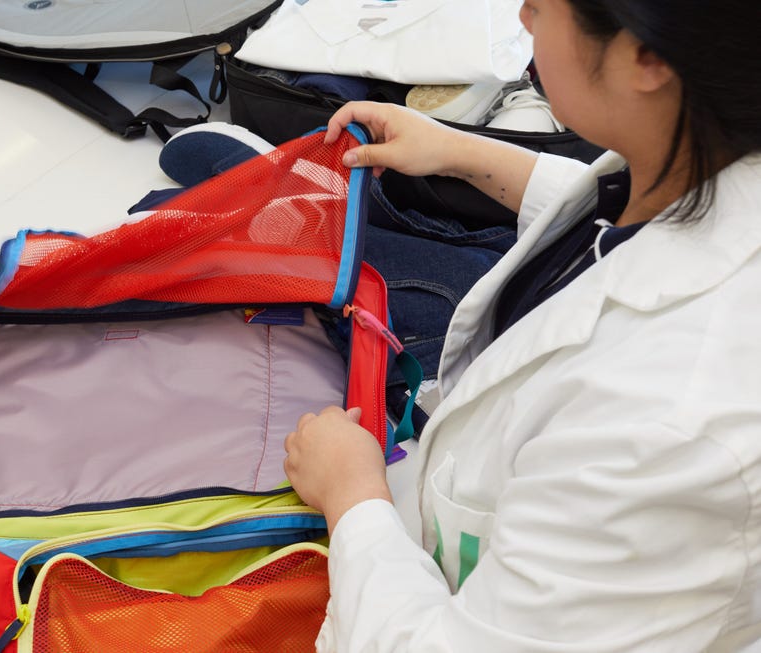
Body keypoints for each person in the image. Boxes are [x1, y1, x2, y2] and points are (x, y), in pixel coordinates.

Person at [282, 0, 761, 651]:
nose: (522, 13)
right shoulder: (697, 155)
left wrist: (354, 497)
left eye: (542, 2)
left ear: (647, 57)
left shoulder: (664, 427)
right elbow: (615, 208)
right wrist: (460, 152)